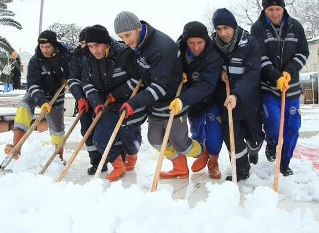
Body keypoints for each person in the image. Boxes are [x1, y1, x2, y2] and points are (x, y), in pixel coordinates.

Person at [114, 11, 202, 179]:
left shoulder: (161, 46)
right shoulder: (137, 44)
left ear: (138, 28)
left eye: (127, 35)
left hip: (173, 100)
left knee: (181, 143)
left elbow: (160, 87)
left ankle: (203, 154)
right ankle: (180, 167)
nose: (126, 41)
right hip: (155, 102)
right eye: (121, 37)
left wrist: (133, 103)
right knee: (155, 139)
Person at [250, 0, 309, 177]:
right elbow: (260, 57)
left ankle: (284, 162)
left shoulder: (295, 26)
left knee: (292, 129)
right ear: (264, 10)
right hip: (269, 88)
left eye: (277, 9)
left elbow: (303, 53)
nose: (275, 13)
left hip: (291, 89)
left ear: (283, 8)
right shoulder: (258, 28)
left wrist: (288, 72)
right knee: (274, 124)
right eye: (270, 10)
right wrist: (276, 77)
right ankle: (272, 143)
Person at [81, 24, 146, 181]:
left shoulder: (124, 54)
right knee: (99, 138)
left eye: (97, 45)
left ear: (107, 43)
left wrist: (116, 94)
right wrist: (96, 102)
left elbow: (138, 80)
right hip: (109, 105)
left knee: (128, 135)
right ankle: (118, 166)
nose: (94, 50)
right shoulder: (87, 59)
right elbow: (87, 84)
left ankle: (132, 154)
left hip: (131, 102)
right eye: (90, 46)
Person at [212, 8, 263, 181]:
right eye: (218, 29)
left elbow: (252, 74)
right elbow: (208, 63)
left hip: (249, 99)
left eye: (226, 27)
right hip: (226, 101)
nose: (223, 33)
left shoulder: (250, 43)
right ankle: (240, 170)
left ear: (233, 26)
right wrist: (219, 70)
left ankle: (254, 147)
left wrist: (236, 94)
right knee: (232, 136)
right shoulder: (214, 45)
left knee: (254, 136)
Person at [4, 30, 70, 160]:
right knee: (23, 108)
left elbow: (76, 66)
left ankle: (58, 157)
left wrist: (69, 78)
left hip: (56, 94)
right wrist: (41, 101)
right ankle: (16, 147)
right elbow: (33, 84)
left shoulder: (66, 56)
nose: (44, 50)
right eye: (42, 47)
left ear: (54, 45)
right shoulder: (35, 60)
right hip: (36, 92)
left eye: (47, 47)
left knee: (57, 129)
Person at [174, 21, 224, 179]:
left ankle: (213, 161)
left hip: (211, 98)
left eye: (200, 42)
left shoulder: (213, 54)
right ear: (185, 41)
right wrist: (177, 74)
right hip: (192, 102)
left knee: (214, 134)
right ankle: (202, 154)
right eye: (191, 43)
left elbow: (207, 85)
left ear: (206, 40)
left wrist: (183, 99)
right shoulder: (178, 50)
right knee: (196, 133)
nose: (196, 47)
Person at [67, 27, 105, 174]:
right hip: (84, 100)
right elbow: (73, 78)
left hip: (101, 98)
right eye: (82, 43)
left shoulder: (97, 54)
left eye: (87, 43)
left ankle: (112, 157)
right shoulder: (77, 56)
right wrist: (80, 97)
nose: (85, 47)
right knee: (86, 129)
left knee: (103, 129)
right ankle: (95, 160)